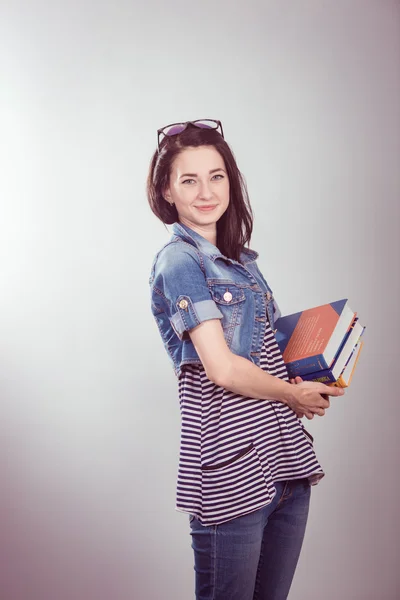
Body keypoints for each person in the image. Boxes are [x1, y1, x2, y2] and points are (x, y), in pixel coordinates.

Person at [147, 119, 344, 600]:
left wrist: (319, 370)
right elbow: (223, 368)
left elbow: (265, 356)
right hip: (230, 471)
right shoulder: (180, 263)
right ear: (167, 191)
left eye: (216, 176)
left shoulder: (241, 262)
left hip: (284, 462)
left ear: (230, 181)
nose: (205, 191)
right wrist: (290, 392)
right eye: (188, 180)